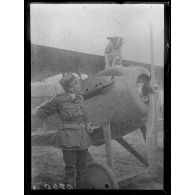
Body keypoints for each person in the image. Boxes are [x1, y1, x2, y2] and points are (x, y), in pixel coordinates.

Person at [31, 73, 97, 189]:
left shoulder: (80, 98)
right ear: (71, 87)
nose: (79, 84)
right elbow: (41, 112)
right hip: (68, 139)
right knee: (70, 169)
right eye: (77, 83)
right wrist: (39, 127)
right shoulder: (58, 100)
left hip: (83, 137)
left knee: (82, 168)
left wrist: (88, 123)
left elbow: (84, 114)